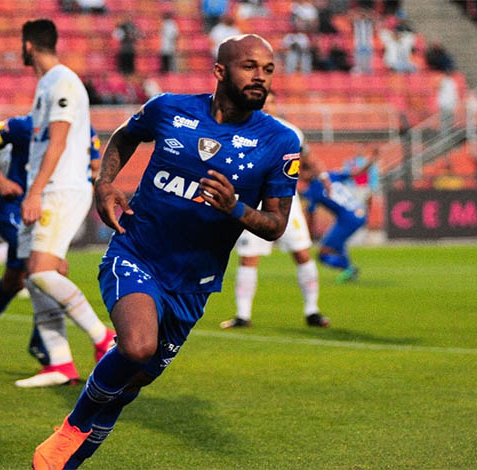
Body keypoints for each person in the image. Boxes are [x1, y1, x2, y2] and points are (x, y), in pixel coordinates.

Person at [32, 34, 301, 469]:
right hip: (136, 254)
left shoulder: (280, 142)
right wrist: (105, 185)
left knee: (133, 381)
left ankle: (66, 461)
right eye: (250, 66)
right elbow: (123, 137)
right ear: (220, 72)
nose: (261, 77)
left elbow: (275, 225)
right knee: (137, 347)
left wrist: (235, 207)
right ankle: (73, 426)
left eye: (268, 70)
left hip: (193, 285)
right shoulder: (169, 109)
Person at [0, 113, 106, 369]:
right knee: (52, 270)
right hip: (14, 211)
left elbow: (93, 169)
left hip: (48, 215)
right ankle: (44, 343)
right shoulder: (24, 125)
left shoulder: (85, 131)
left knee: (13, 281)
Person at [16, 19, 116, 388]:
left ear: (28, 46)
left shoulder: (62, 82)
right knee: (40, 276)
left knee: (41, 272)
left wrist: (35, 191)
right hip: (49, 187)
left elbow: (57, 143)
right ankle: (60, 364)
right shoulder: (46, 84)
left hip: (60, 188)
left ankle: (104, 339)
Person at [220, 90, 329, 329]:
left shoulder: (291, 132)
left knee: (302, 253)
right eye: (263, 102)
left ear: (277, 106)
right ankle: (243, 315)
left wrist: (322, 175)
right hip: (254, 203)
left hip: (285, 202)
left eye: (271, 102)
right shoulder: (242, 130)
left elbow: (309, 159)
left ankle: (312, 311)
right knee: (249, 258)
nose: (266, 107)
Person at [300, 159, 373, 283]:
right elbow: (356, 173)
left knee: (323, 254)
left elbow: (311, 216)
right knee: (338, 246)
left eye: (301, 172)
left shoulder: (313, 190)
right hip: (358, 212)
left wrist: (308, 236)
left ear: (310, 172)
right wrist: (371, 160)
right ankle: (348, 271)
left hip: (348, 218)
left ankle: (348, 268)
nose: (300, 176)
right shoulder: (330, 175)